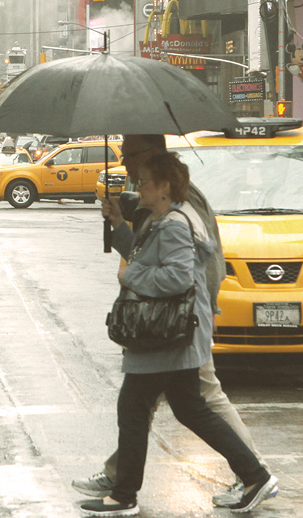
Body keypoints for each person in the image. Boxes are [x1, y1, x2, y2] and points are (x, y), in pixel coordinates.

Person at [75, 134, 270, 510]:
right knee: (188, 407)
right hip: (173, 333)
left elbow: (177, 277)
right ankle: (254, 475)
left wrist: (131, 278)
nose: (138, 185)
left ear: (164, 186)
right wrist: (117, 223)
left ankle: (123, 493)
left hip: (168, 332)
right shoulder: (165, 217)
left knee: (135, 405)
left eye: (144, 180)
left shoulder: (176, 222)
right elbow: (145, 255)